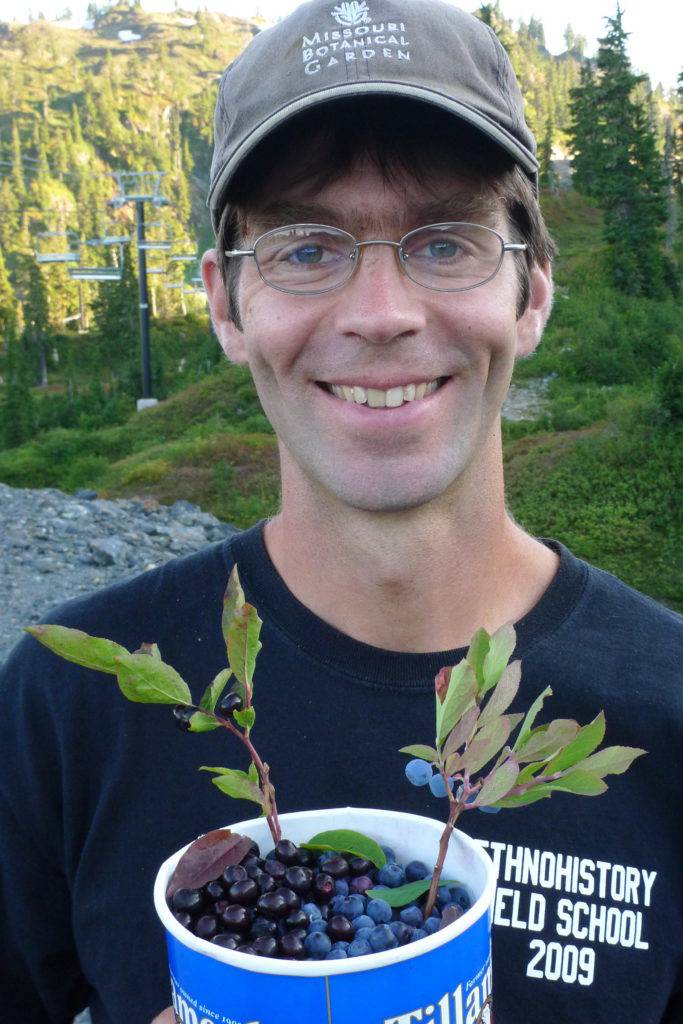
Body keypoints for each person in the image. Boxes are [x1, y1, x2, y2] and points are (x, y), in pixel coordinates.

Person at [1, 2, 681, 1022]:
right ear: (226, 305)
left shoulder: (668, 707)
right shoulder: (64, 708)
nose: (379, 313)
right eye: (305, 249)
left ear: (531, 289)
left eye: (444, 241)